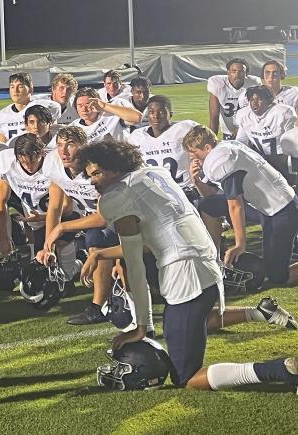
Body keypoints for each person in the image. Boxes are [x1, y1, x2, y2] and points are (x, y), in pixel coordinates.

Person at [78, 138, 298, 391]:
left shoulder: (115, 197)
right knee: (198, 320)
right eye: (90, 176)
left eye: (97, 173)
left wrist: (141, 328)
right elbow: (154, 239)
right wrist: (100, 255)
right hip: (205, 262)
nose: (93, 181)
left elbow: (135, 263)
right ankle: (262, 315)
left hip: (182, 271)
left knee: (187, 377)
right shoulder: (155, 173)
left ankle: (282, 369)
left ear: (115, 167)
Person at [185, 126, 298, 287]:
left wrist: (240, 244)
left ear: (208, 148)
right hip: (260, 205)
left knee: (278, 276)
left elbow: (235, 205)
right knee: (208, 205)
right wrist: (196, 181)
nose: (190, 155)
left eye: (193, 150)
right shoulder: (224, 150)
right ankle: (214, 259)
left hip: (281, 209)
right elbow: (212, 196)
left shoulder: (222, 159)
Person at [34, 125, 109, 325]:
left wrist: (61, 229)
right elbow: (55, 207)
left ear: (84, 147)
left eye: (70, 145)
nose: (63, 151)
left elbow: (105, 217)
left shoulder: (97, 167)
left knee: (97, 238)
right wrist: (47, 245)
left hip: (123, 217)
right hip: (95, 216)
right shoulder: (53, 162)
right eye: (59, 145)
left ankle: (99, 307)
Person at [0, 134, 57, 254]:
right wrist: (3, 238)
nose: (28, 166)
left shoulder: (53, 164)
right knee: (39, 258)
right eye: (22, 161)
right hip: (34, 216)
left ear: (42, 153)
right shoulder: (6, 163)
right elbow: (0, 201)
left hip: (59, 217)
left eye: (32, 160)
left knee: (55, 252)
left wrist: (42, 217)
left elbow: (64, 208)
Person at [128, 96, 199, 190]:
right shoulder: (137, 137)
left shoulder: (184, 129)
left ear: (170, 114)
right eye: (151, 112)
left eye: (161, 112)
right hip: (157, 196)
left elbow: (208, 145)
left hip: (186, 191)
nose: (156, 116)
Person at [0, 72, 61, 143]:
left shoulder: (44, 107)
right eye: (12, 87)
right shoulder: (1, 116)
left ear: (30, 89)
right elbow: (2, 144)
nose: (15, 91)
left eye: (20, 86)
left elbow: (53, 133)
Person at [234, 85, 297, 157]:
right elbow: (241, 142)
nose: (254, 103)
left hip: (284, 157)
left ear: (268, 100)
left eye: (259, 99)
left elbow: (293, 143)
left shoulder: (283, 113)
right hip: (261, 160)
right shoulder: (244, 115)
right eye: (251, 100)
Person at [207, 58, 261, 140]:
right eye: (234, 71)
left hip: (250, 130)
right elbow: (214, 117)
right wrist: (210, 140)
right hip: (229, 133)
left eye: (241, 71)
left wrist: (242, 127)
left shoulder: (253, 84)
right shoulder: (218, 84)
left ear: (246, 74)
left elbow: (258, 112)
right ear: (228, 72)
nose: (237, 74)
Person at [72, 87, 142, 143]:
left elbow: (137, 118)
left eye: (88, 105)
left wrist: (104, 106)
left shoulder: (111, 115)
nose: (84, 109)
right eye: (80, 106)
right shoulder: (74, 127)